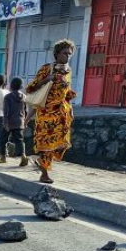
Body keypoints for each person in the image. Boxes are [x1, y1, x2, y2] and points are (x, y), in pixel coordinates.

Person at [27, 39, 77, 184]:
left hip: (62, 113)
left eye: (70, 54)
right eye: (64, 53)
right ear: (57, 53)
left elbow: (67, 92)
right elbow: (30, 88)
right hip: (46, 113)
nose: (67, 56)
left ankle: (41, 163)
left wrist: (71, 109)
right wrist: (46, 79)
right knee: (46, 144)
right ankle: (44, 173)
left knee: (61, 143)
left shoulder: (68, 71)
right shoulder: (46, 69)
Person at [0, 77, 29, 166]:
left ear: (11, 86)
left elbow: (6, 111)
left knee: (3, 139)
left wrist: (5, 123)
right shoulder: (24, 96)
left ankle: (3, 157)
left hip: (10, 122)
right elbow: (25, 110)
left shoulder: (8, 97)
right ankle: (23, 156)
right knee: (19, 140)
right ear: (21, 86)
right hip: (20, 122)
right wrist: (25, 121)